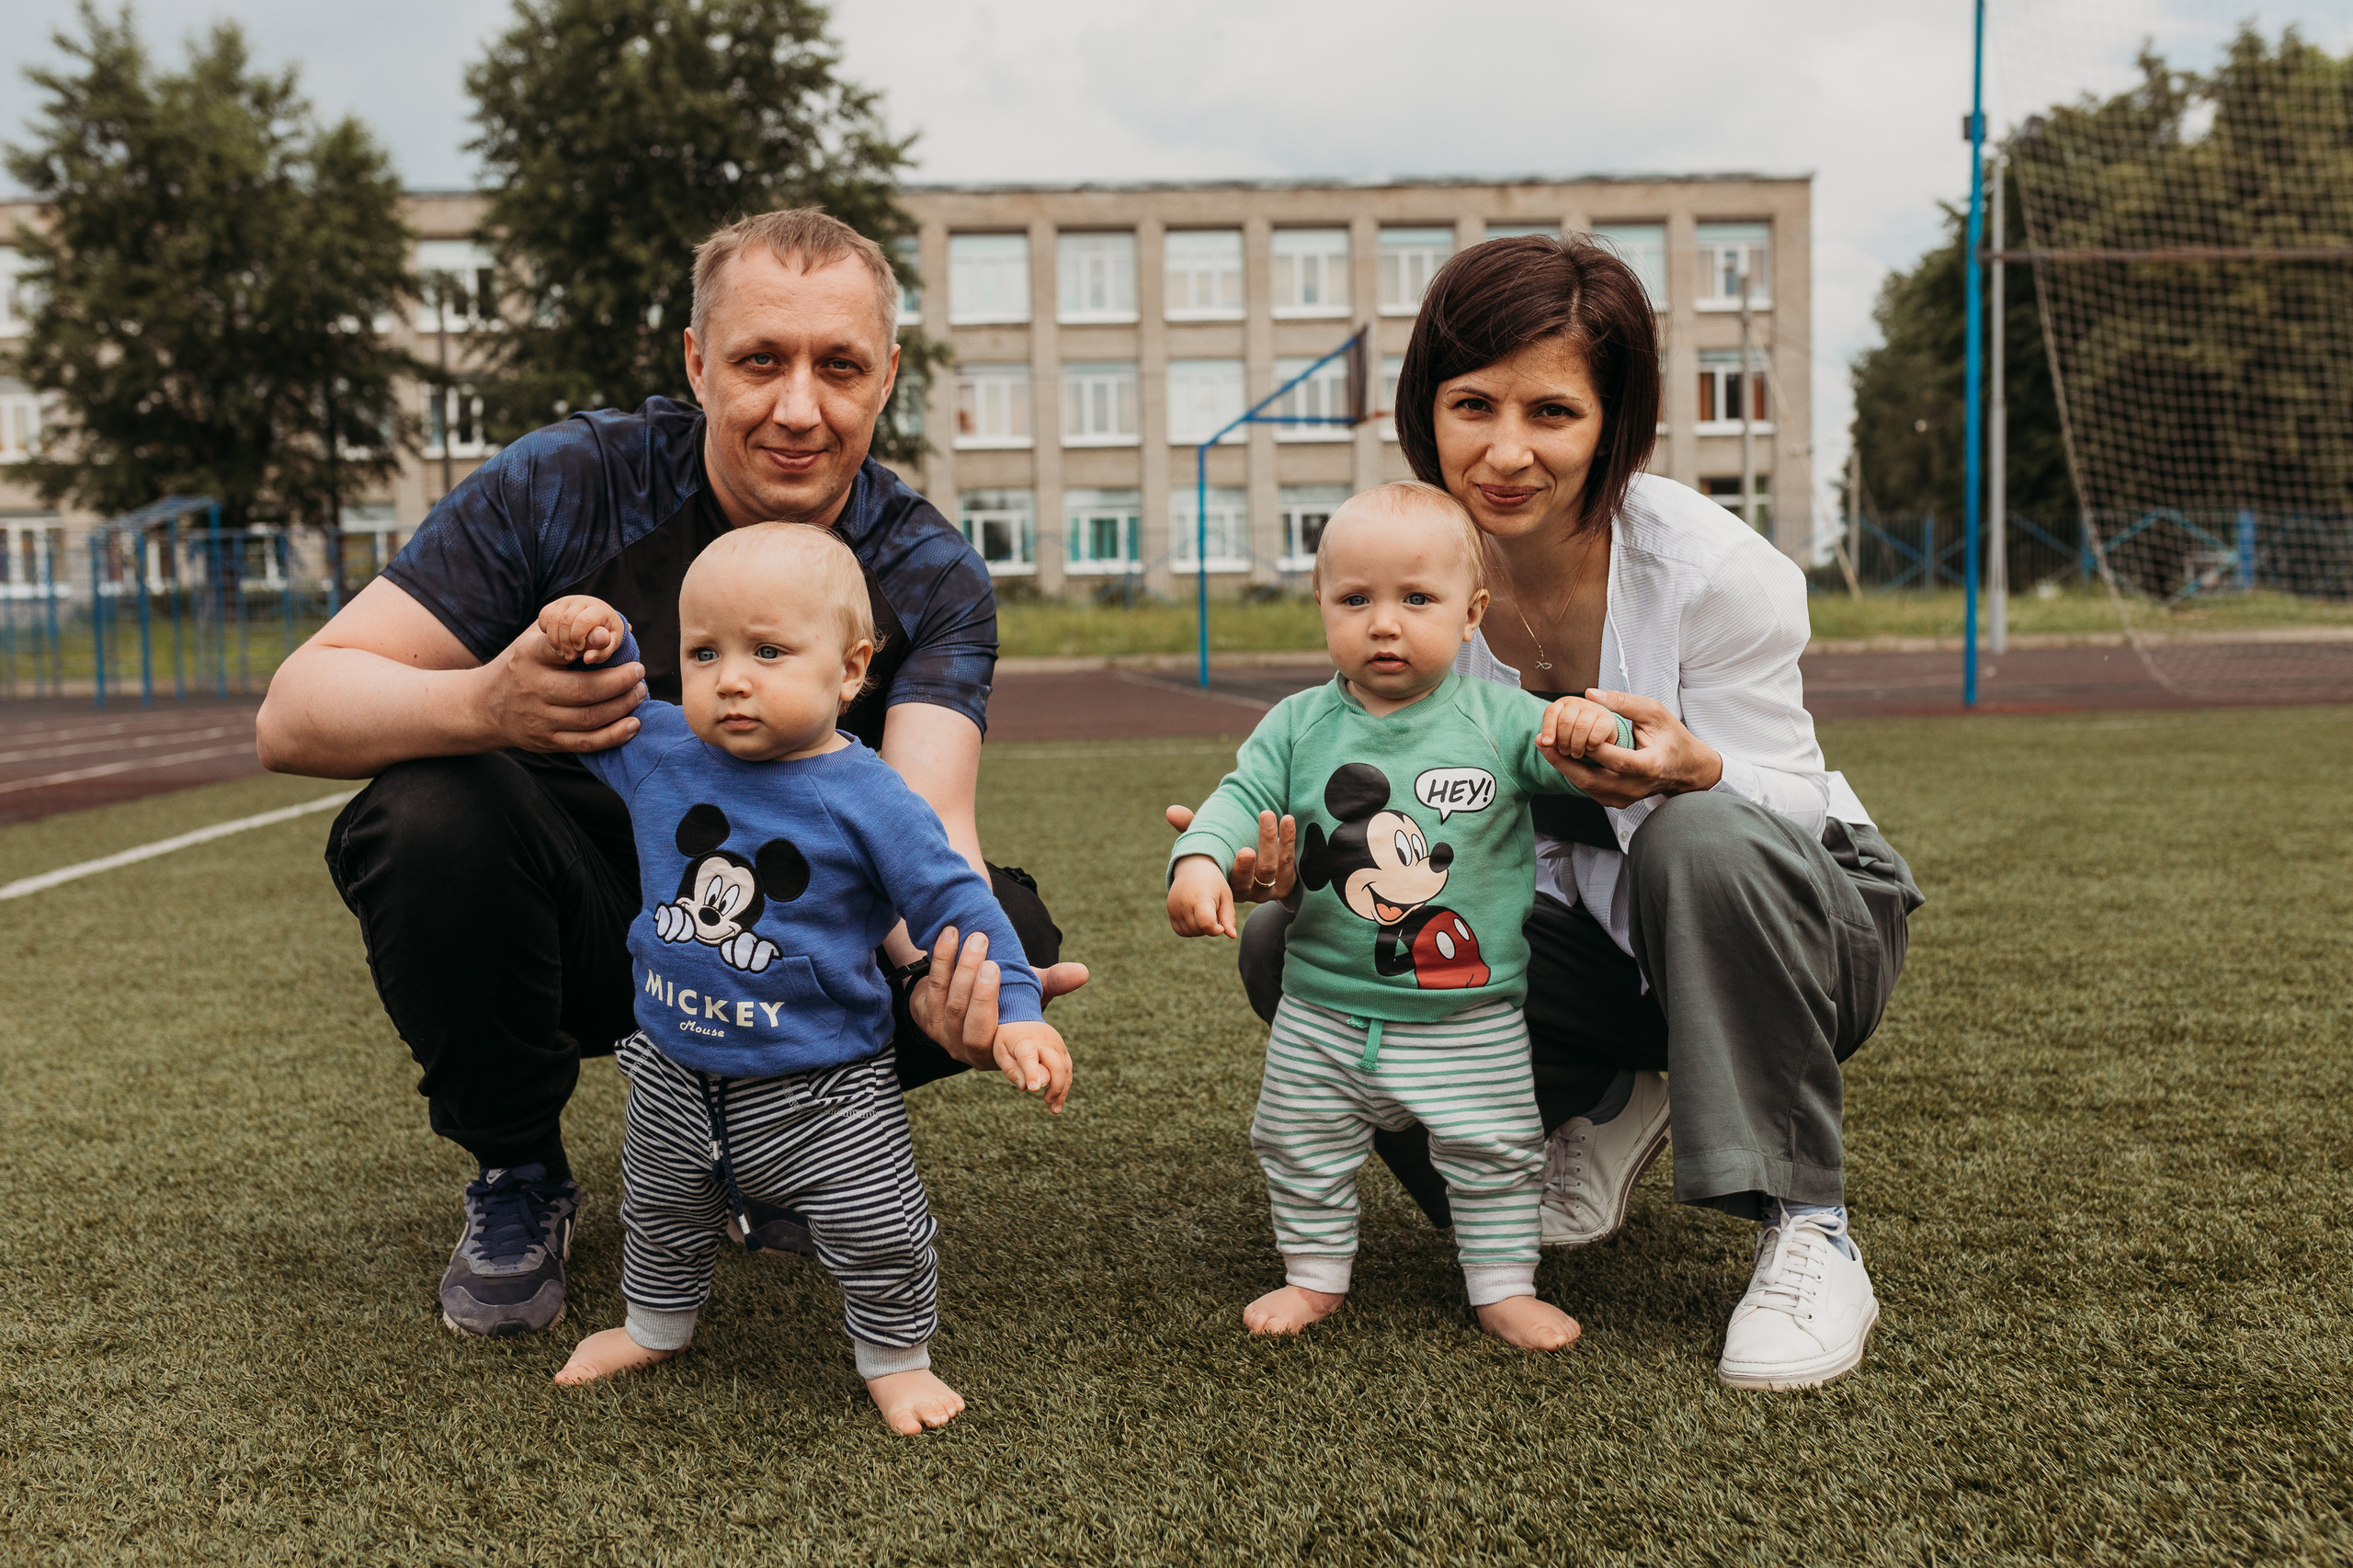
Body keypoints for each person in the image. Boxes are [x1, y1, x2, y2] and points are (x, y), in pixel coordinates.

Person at [255, 208, 1085, 1340]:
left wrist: (962, 985)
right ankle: (519, 1171)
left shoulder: (928, 570)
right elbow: (293, 709)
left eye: (839, 365)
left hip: (777, 944)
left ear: (887, 376)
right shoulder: (564, 483)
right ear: (696, 362)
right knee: (427, 807)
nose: (800, 407)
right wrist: (485, 702)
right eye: (760, 360)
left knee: (1007, 936)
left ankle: (788, 1136)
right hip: (579, 921)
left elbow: (929, 813)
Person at [1172, 235, 1924, 1391]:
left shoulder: (1714, 570)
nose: (1506, 451)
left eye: (1553, 412)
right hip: (1576, 943)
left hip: (1799, 925)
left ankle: (1808, 1226)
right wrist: (1291, 862)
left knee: (1697, 827)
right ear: (1424, 406)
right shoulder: (1415, 574)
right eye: (1471, 403)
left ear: (1613, 423)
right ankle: (1605, 1102)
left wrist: (1693, 764)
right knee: (1294, 939)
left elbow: (1795, 803)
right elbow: (1404, 817)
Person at [530, 527, 1065, 1434]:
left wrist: (1014, 1011)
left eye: (769, 650)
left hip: (826, 1087)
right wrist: (597, 628)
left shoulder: (871, 795)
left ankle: (896, 1356)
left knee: (878, 1230)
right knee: (659, 1209)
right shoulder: (661, 749)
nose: (732, 677)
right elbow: (601, 689)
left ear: (852, 668)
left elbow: (955, 906)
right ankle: (655, 1325)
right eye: (705, 652)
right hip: (672, 1069)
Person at [1166, 483, 1631, 1351]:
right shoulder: (1299, 725)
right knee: (1298, 1147)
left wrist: (1593, 724)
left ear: (1471, 615)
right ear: (1322, 608)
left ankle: (1500, 1287)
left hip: (1468, 1015)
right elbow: (1237, 799)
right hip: (1321, 1011)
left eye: (1417, 599)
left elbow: (1609, 764)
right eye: (1356, 599)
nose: (1385, 623)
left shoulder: (1500, 720)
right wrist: (1200, 862)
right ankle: (1314, 1275)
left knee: (1494, 1156)